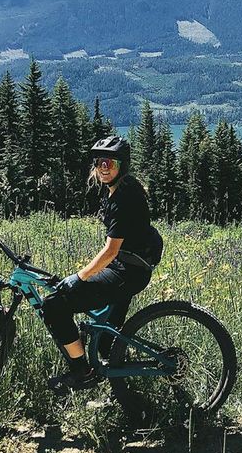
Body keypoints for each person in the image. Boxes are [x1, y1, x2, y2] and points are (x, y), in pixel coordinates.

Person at [42, 135, 163, 391]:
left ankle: (81, 372)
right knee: (107, 340)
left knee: (54, 305)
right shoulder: (121, 189)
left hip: (126, 271)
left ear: (123, 166)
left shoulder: (123, 197)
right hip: (130, 267)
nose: (104, 168)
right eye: (100, 163)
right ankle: (124, 395)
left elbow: (110, 251)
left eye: (111, 163)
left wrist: (79, 277)